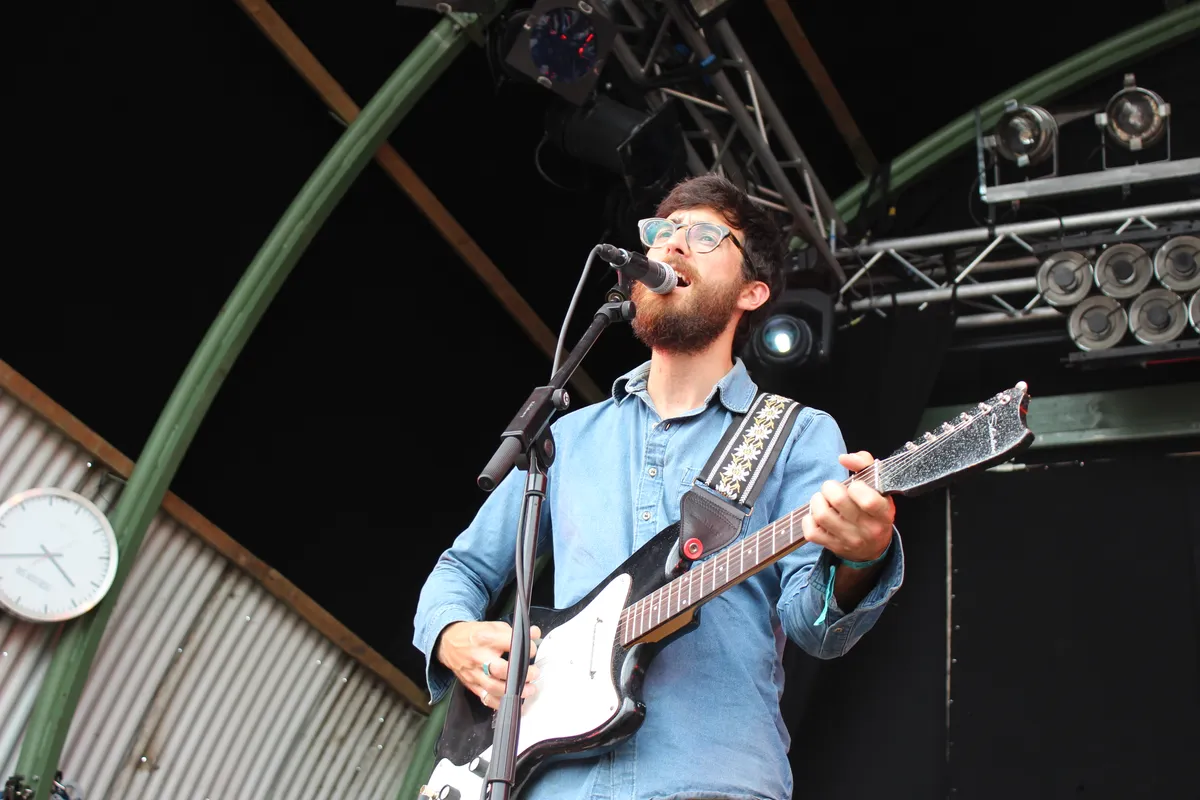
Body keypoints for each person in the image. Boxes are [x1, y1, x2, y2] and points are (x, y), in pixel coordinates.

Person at [412, 174, 904, 800]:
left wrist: (861, 558)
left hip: (708, 779)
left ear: (752, 292)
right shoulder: (567, 437)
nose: (671, 244)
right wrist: (453, 636)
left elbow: (814, 628)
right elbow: (461, 569)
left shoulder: (795, 435)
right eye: (662, 231)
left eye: (704, 235)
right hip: (551, 785)